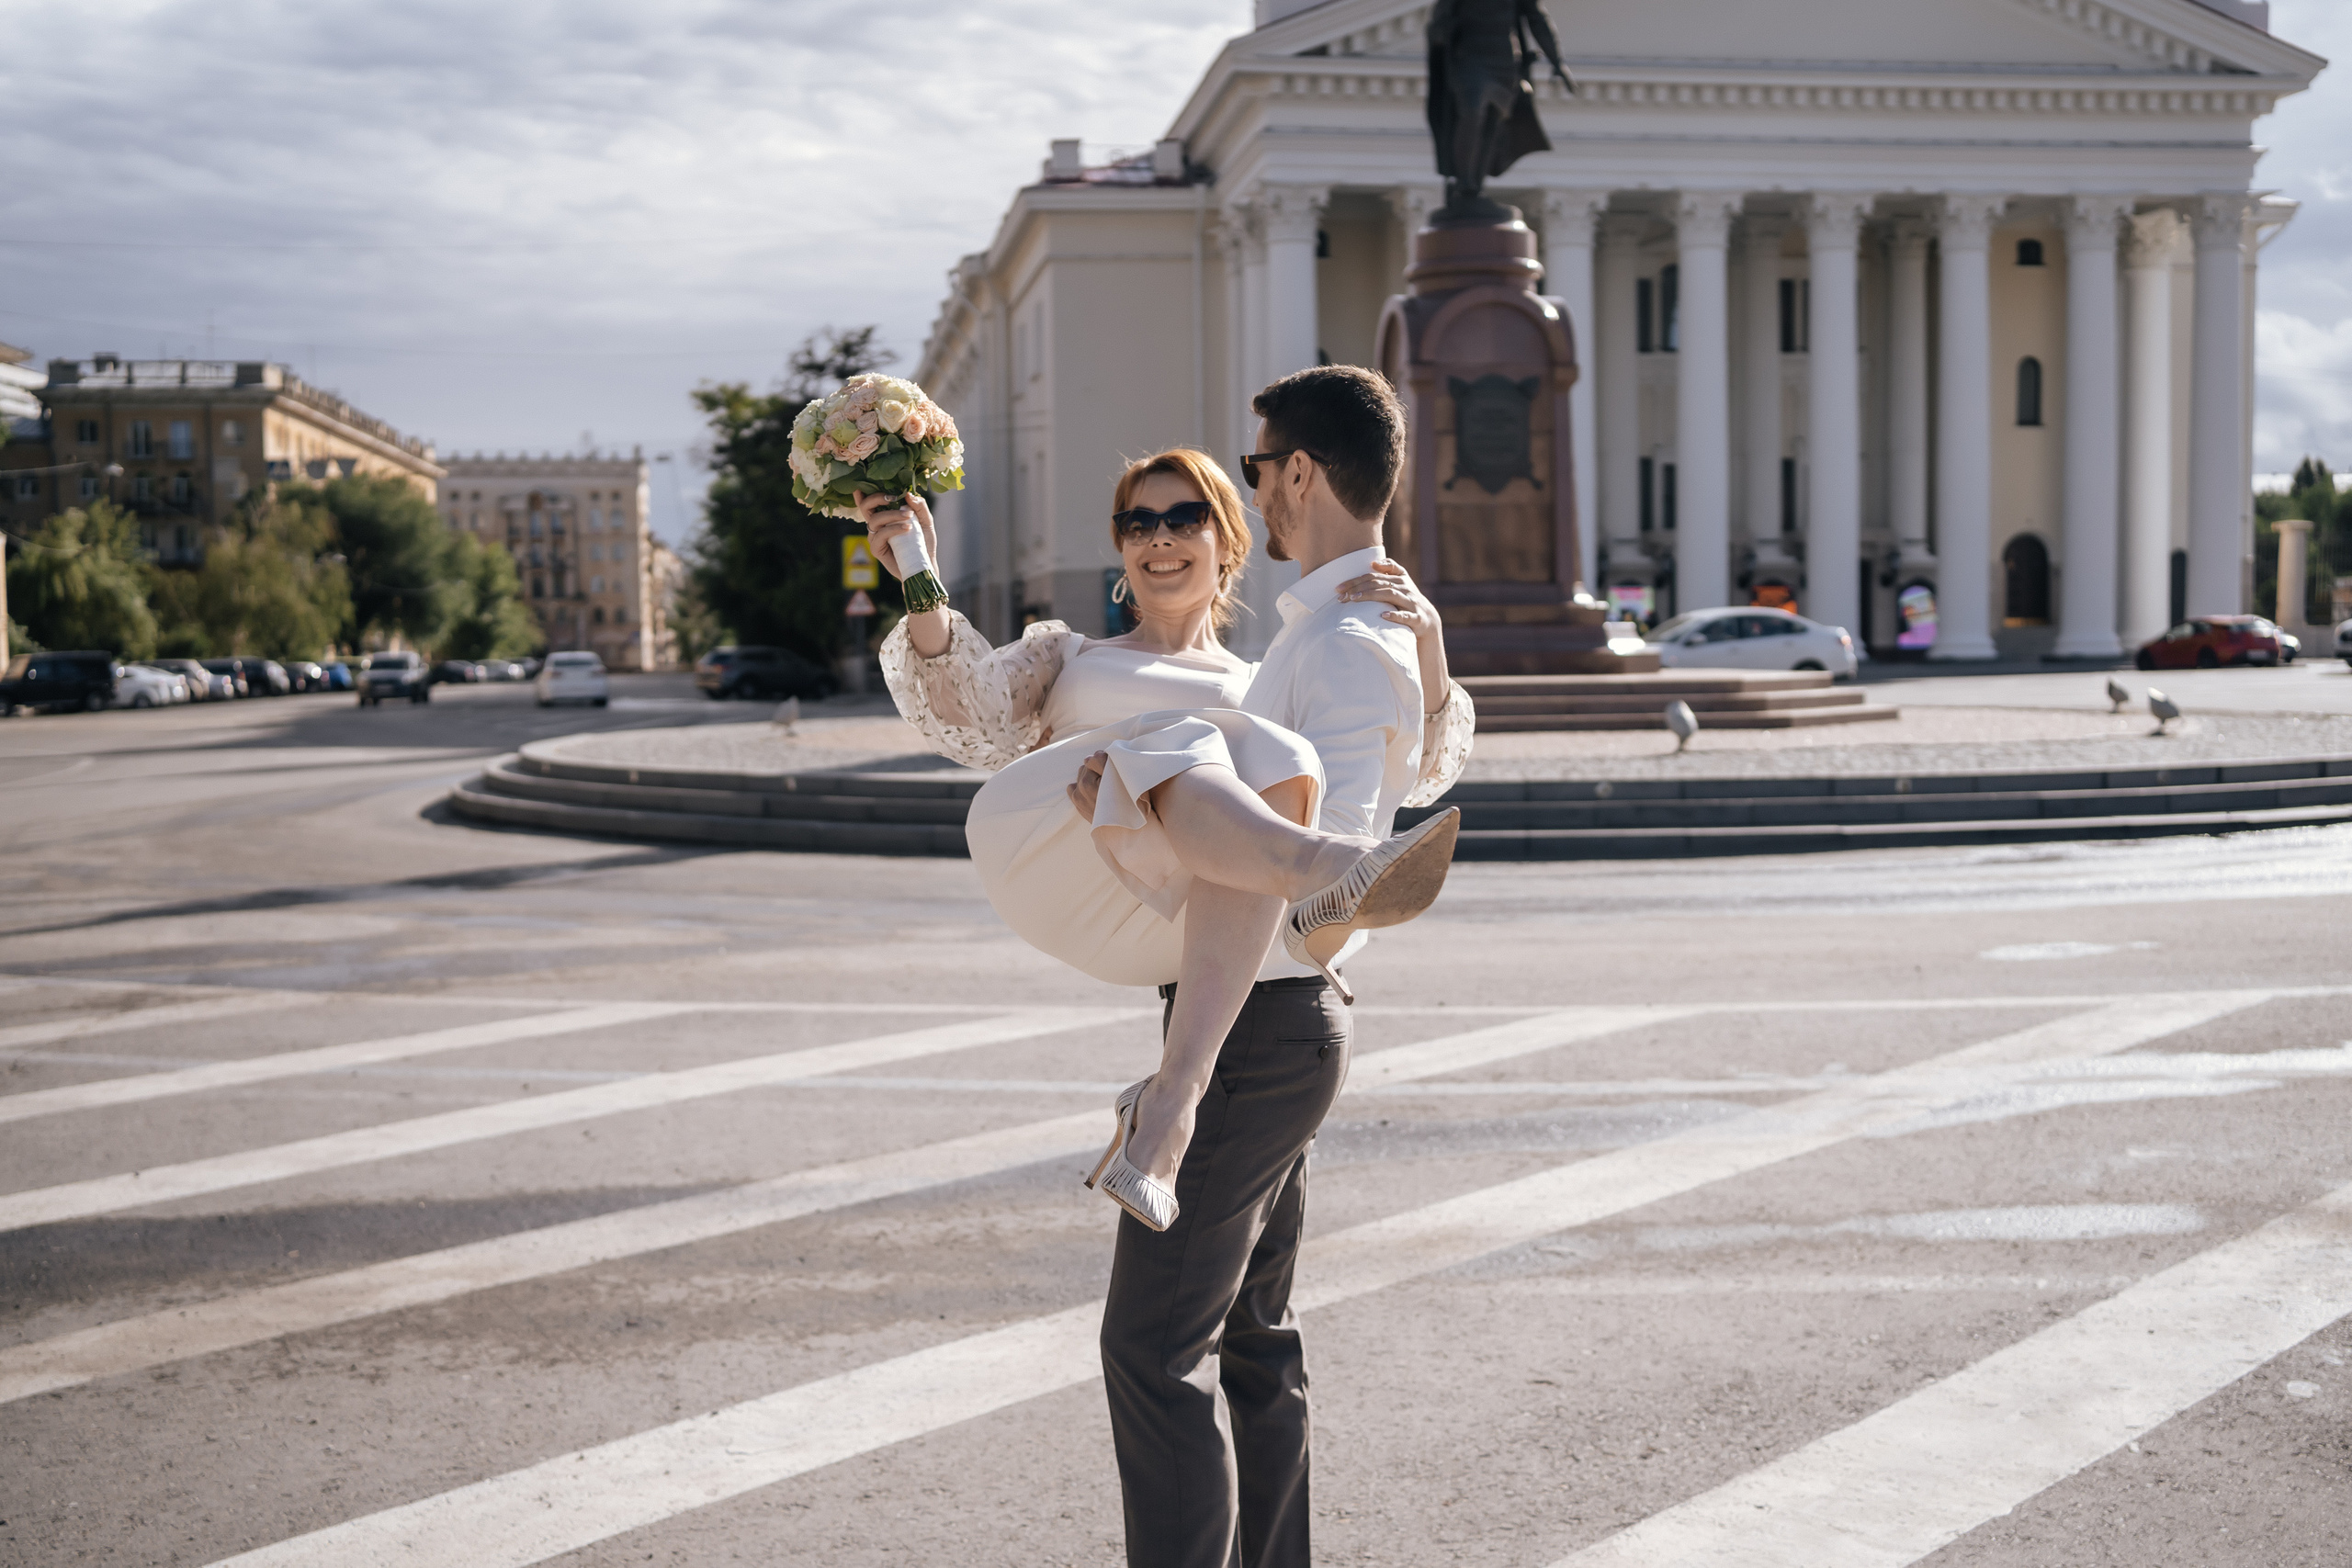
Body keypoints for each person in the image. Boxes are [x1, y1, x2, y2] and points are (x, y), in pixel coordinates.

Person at [874, 366, 1463, 1568]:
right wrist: (917, 570)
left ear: (1228, 537)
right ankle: (1320, 864)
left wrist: (1433, 652)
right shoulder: (1067, 655)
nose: (1156, 539)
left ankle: (1306, 875)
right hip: (1091, 852)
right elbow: (969, 716)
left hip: (1256, 996)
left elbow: (1413, 754)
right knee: (1186, 746)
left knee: (1245, 1343)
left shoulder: (1274, 680)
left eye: (1182, 513)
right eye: (1135, 521)